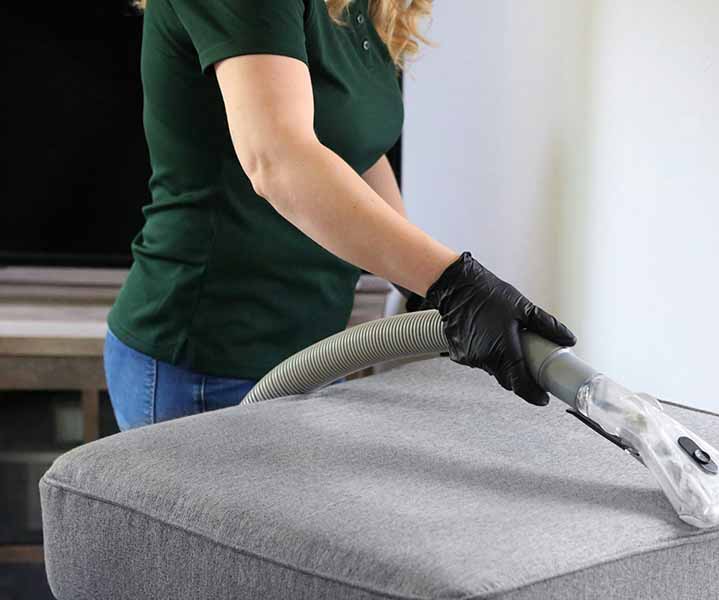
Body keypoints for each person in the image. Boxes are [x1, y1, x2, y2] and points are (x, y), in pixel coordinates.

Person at [104, 0, 576, 432]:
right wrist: (457, 285)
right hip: (204, 362)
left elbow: (356, 150)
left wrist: (422, 290)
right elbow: (277, 159)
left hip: (311, 353)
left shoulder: (361, 6)